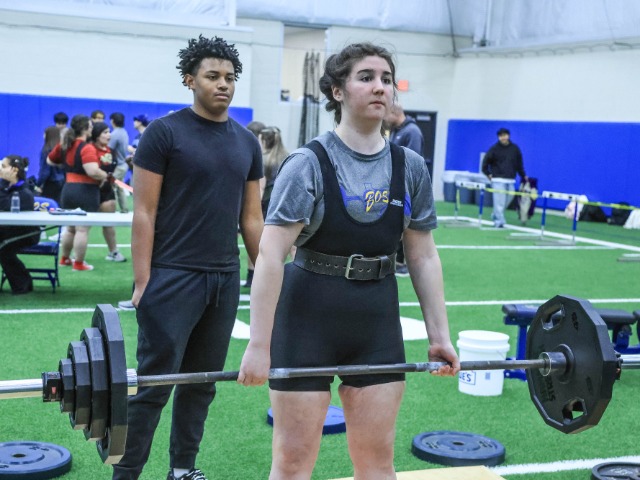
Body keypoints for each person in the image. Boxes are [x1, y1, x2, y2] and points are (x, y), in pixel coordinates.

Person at [238, 42, 460, 479]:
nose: (380, 87)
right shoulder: (306, 163)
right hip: (306, 321)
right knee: (292, 462)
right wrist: (259, 344)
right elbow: (270, 255)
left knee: (377, 463)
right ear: (337, 91)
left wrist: (440, 336)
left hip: (375, 322)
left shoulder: (411, 166)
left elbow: (422, 256)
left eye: (386, 79)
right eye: (366, 77)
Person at [112, 34, 263, 480]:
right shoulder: (164, 133)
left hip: (224, 280)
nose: (223, 84)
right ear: (189, 80)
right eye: (213, 76)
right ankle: (127, 474)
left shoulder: (247, 143)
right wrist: (143, 281)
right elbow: (144, 211)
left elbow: (252, 219)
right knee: (154, 387)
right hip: (172, 276)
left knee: (201, 384)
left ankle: (182, 469)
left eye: (230, 77)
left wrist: (268, 274)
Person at [47, 114, 112, 271]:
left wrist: (67, 165)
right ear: (84, 129)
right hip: (86, 191)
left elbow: (50, 160)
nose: (92, 129)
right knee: (82, 229)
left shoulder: (65, 145)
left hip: (68, 189)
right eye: (90, 126)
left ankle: (65, 259)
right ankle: (78, 263)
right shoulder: (86, 147)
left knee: (70, 228)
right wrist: (106, 176)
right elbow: (92, 171)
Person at [384, 103, 425, 276]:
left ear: (394, 113)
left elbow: (412, 162)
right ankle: (398, 261)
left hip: (406, 187)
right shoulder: (396, 130)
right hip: (395, 185)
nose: (383, 119)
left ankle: (407, 264)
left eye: (386, 114)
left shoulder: (412, 132)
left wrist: (404, 187)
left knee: (408, 226)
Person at [0, 155, 40, 294]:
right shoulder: (6, 188)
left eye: (3, 166)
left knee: (3, 249)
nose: (0, 169)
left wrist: (3, 183)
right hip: (7, 231)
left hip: (27, 233)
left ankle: (22, 285)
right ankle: (23, 284)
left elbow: (3, 205)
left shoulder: (25, 192)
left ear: (14, 170)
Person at [89, 121, 126, 262]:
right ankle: (73, 257)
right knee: (81, 226)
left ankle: (113, 252)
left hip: (106, 191)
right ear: (97, 135)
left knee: (109, 223)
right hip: (89, 190)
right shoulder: (89, 149)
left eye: (109, 132)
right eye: (105, 132)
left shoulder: (111, 151)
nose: (109, 135)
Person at [481, 127, 527, 228]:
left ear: (508, 136)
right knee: (499, 201)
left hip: (510, 179)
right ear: (498, 137)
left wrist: (523, 175)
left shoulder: (515, 149)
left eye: (505, 135)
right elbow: (485, 162)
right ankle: (499, 221)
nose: (503, 138)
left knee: (509, 198)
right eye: (501, 136)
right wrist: (488, 173)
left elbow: (519, 164)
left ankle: (495, 214)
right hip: (498, 179)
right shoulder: (494, 149)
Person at [241, 119, 266, 288]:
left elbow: (261, 186)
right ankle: (255, 276)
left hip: (259, 204)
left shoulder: (258, 154)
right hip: (262, 204)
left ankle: (255, 276)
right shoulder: (260, 153)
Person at [108, 112, 130, 213]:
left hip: (118, 166)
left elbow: (109, 149)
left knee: (111, 186)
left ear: (112, 121)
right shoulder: (124, 132)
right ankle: (124, 209)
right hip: (123, 165)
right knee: (120, 187)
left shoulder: (114, 134)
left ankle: (112, 209)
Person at [36, 126, 65, 203]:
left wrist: (38, 184)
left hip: (50, 184)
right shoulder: (62, 150)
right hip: (63, 183)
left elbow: (45, 171)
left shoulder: (46, 150)